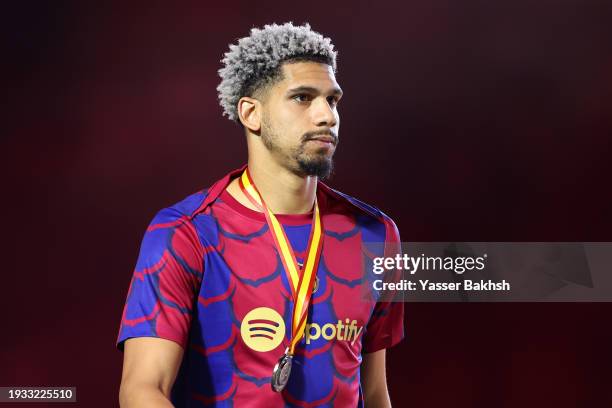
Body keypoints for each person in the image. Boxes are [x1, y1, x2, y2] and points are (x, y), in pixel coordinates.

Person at [117, 22, 404, 407]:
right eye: (303, 98)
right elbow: (142, 390)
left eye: (332, 100)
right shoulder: (186, 232)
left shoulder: (375, 234)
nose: (327, 116)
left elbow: (373, 392)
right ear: (251, 113)